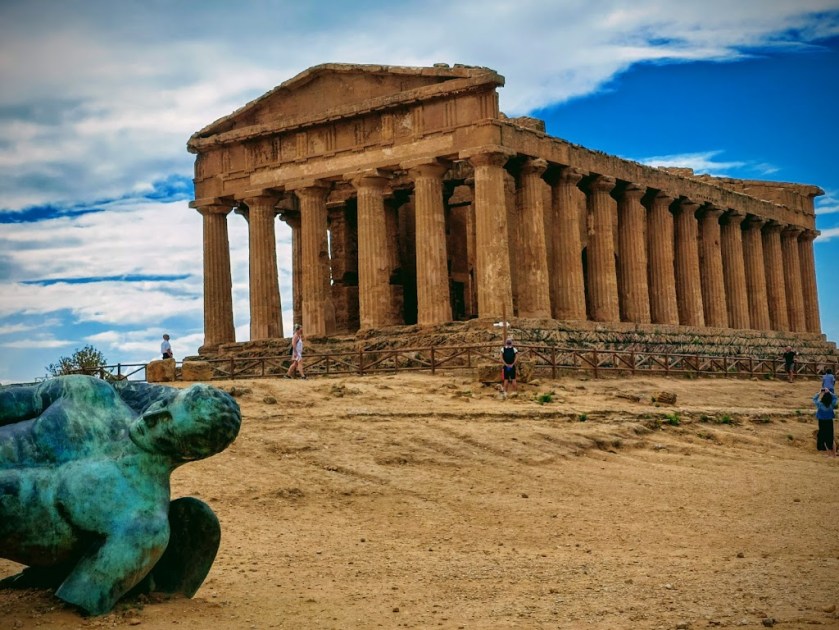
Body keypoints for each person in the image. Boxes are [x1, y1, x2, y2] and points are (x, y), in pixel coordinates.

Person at [0, 375, 241, 615]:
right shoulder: (93, 394)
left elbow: (83, 597)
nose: (151, 416)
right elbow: (13, 401)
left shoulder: (143, 525)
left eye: (166, 422)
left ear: (191, 451)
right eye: (165, 403)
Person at [812, 387, 837, 456]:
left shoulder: (820, 404)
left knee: (823, 436)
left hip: (822, 422)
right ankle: (833, 454)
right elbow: (835, 398)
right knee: (830, 437)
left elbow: (814, 399)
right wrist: (830, 392)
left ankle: (827, 453)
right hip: (829, 421)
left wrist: (820, 392)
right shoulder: (831, 404)